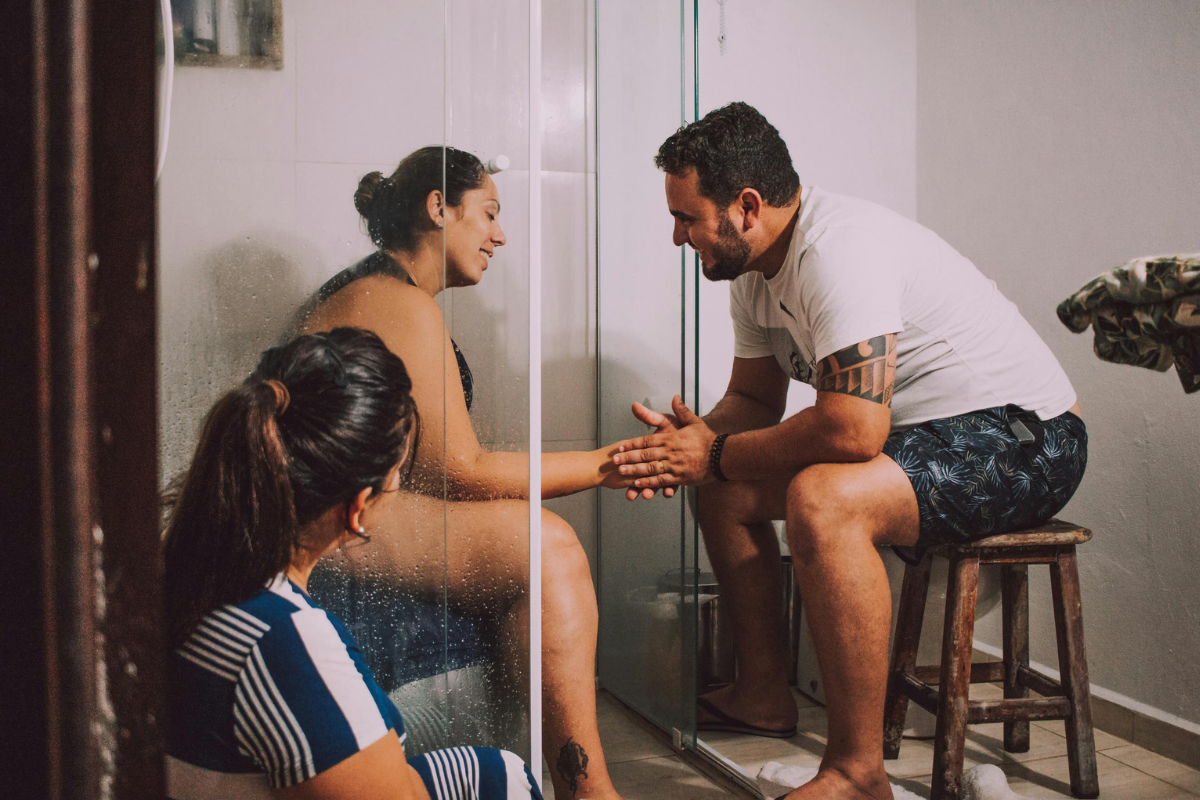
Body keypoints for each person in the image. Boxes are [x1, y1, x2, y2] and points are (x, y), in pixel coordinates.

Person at [611, 102, 1087, 800]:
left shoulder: (838, 249)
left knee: (821, 500)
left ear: (746, 206)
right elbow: (754, 403)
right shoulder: (751, 274)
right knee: (727, 488)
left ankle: (859, 774)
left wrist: (715, 453)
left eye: (687, 217)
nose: (678, 236)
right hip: (924, 434)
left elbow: (852, 432)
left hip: (1026, 437)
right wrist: (700, 444)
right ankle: (763, 692)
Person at [300, 147, 654, 800]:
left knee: (526, 558)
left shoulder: (381, 292)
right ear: (440, 208)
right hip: (339, 519)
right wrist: (611, 463)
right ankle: (592, 792)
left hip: (360, 510)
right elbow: (463, 472)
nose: (500, 234)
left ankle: (558, 777)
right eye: (488, 212)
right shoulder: (392, 298)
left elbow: (437, 469)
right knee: (548, 548)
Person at [163, 326, 542, 800]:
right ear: (359, 507)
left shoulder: (196, 568)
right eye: (399, 474)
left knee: (496, 770)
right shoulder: (283, 641)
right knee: (507, 783)